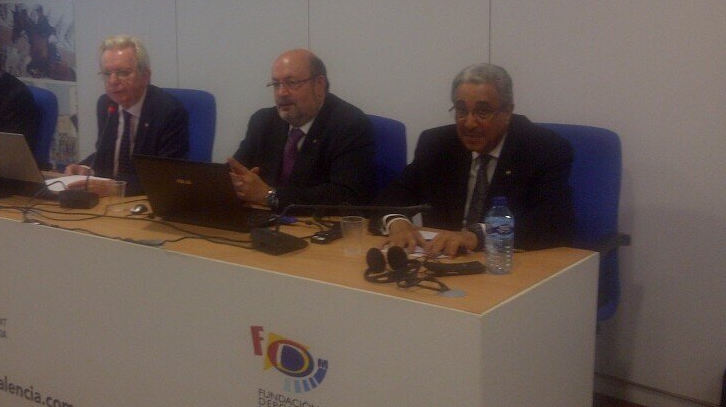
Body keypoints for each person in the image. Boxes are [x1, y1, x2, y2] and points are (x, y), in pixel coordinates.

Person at [378, 62, 574, 256]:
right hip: (441, 262)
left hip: (508, 264)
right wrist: (397, 221)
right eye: (461, 110)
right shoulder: (437, 144)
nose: (469, 123)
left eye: (482, 112)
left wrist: (477, 236)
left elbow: (552, 223)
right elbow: (390, 198)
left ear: (507, 112)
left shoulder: (543, 149)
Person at [229, 49, 374, 211]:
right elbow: (236, 171)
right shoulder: (263, 121)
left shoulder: (349, 124)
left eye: (291, 83)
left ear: (319, 86)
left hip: (314, 222)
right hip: (262, 219)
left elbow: (344, 195)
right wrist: (233, 183)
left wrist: (269, 196)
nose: (281, 92)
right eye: (276, 84)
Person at [65, 35, 189, 196]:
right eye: (107, 74)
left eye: (123, 73)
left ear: (145, 76)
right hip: (108, 203)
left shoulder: (170, 112)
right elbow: (105, 152)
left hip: (147, 202)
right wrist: (85, 168)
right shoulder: (106, 104)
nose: (112, 81)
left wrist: (115, 188)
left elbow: (168, 177)